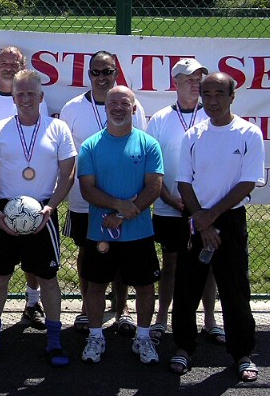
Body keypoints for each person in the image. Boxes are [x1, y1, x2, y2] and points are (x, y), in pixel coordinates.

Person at [0, 69, 76, 366]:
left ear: (42, 97)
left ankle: (55, 341)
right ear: (14, 98)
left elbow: (68, 172)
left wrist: (51, 207)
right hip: (7, 211)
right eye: (20, 94)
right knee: (0, 277)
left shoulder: (57, 129)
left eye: (31, 93)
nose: (26, 99)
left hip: (43, 211)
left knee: (48, 277)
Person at [170, 72, 264, 382]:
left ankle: (242, 354)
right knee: (187, 288)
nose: (211, 100)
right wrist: (200, 217)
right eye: (206, 94)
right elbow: (183, 181)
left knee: (235, 290)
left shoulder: (248, 134)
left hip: (229, 220)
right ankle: (183, 348)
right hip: (197, 220)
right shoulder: (193, 135)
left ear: (232, 97)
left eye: (218, 94)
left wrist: (212, 216)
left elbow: (248, 181)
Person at [59, 51, 147, 335]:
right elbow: (68, 155)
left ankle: (123, 307)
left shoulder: (134, 106)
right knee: (87, 252)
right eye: (95, 73)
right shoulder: (72, 108)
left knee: (120, 253)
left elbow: (141, 149)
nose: (101, 78)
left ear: (115, 74)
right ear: (88, 75)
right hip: (84, 200)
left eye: (107, 72)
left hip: (126, 199)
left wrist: (127, 203)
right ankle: (88, 307)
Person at [78, 85, 163, 365]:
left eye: (124, 103)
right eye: (112, 102)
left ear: (134, 108)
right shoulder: (90, 145)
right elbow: (87, 190)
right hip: (100, 233)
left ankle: (143, 337)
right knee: (96, 286)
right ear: (105, 107)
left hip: (139, 233)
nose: (118, 107)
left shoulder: (148, 144)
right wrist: (118, 205)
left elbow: (154, 187)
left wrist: (125, 214)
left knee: (145, 288)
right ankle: (95, 336)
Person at [0, 46, 50, 329]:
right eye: (3, 63)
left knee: (32, 250)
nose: (8, 67)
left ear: (22, 64)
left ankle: (32, 302)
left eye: (14, 62)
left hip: (31, 192)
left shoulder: (40, 103)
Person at [146, 58, 223, 344]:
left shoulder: (214, 116)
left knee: (208, 262)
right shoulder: (160, 120)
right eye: (189, 79)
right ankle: (162, 318)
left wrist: (202, 205)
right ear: (175, 82)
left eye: (199, 79)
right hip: (170, 206)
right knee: (172, 263)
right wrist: (168, 196)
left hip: (205, 208)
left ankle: (210, 319)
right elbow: (153, 167)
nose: (196, 84)